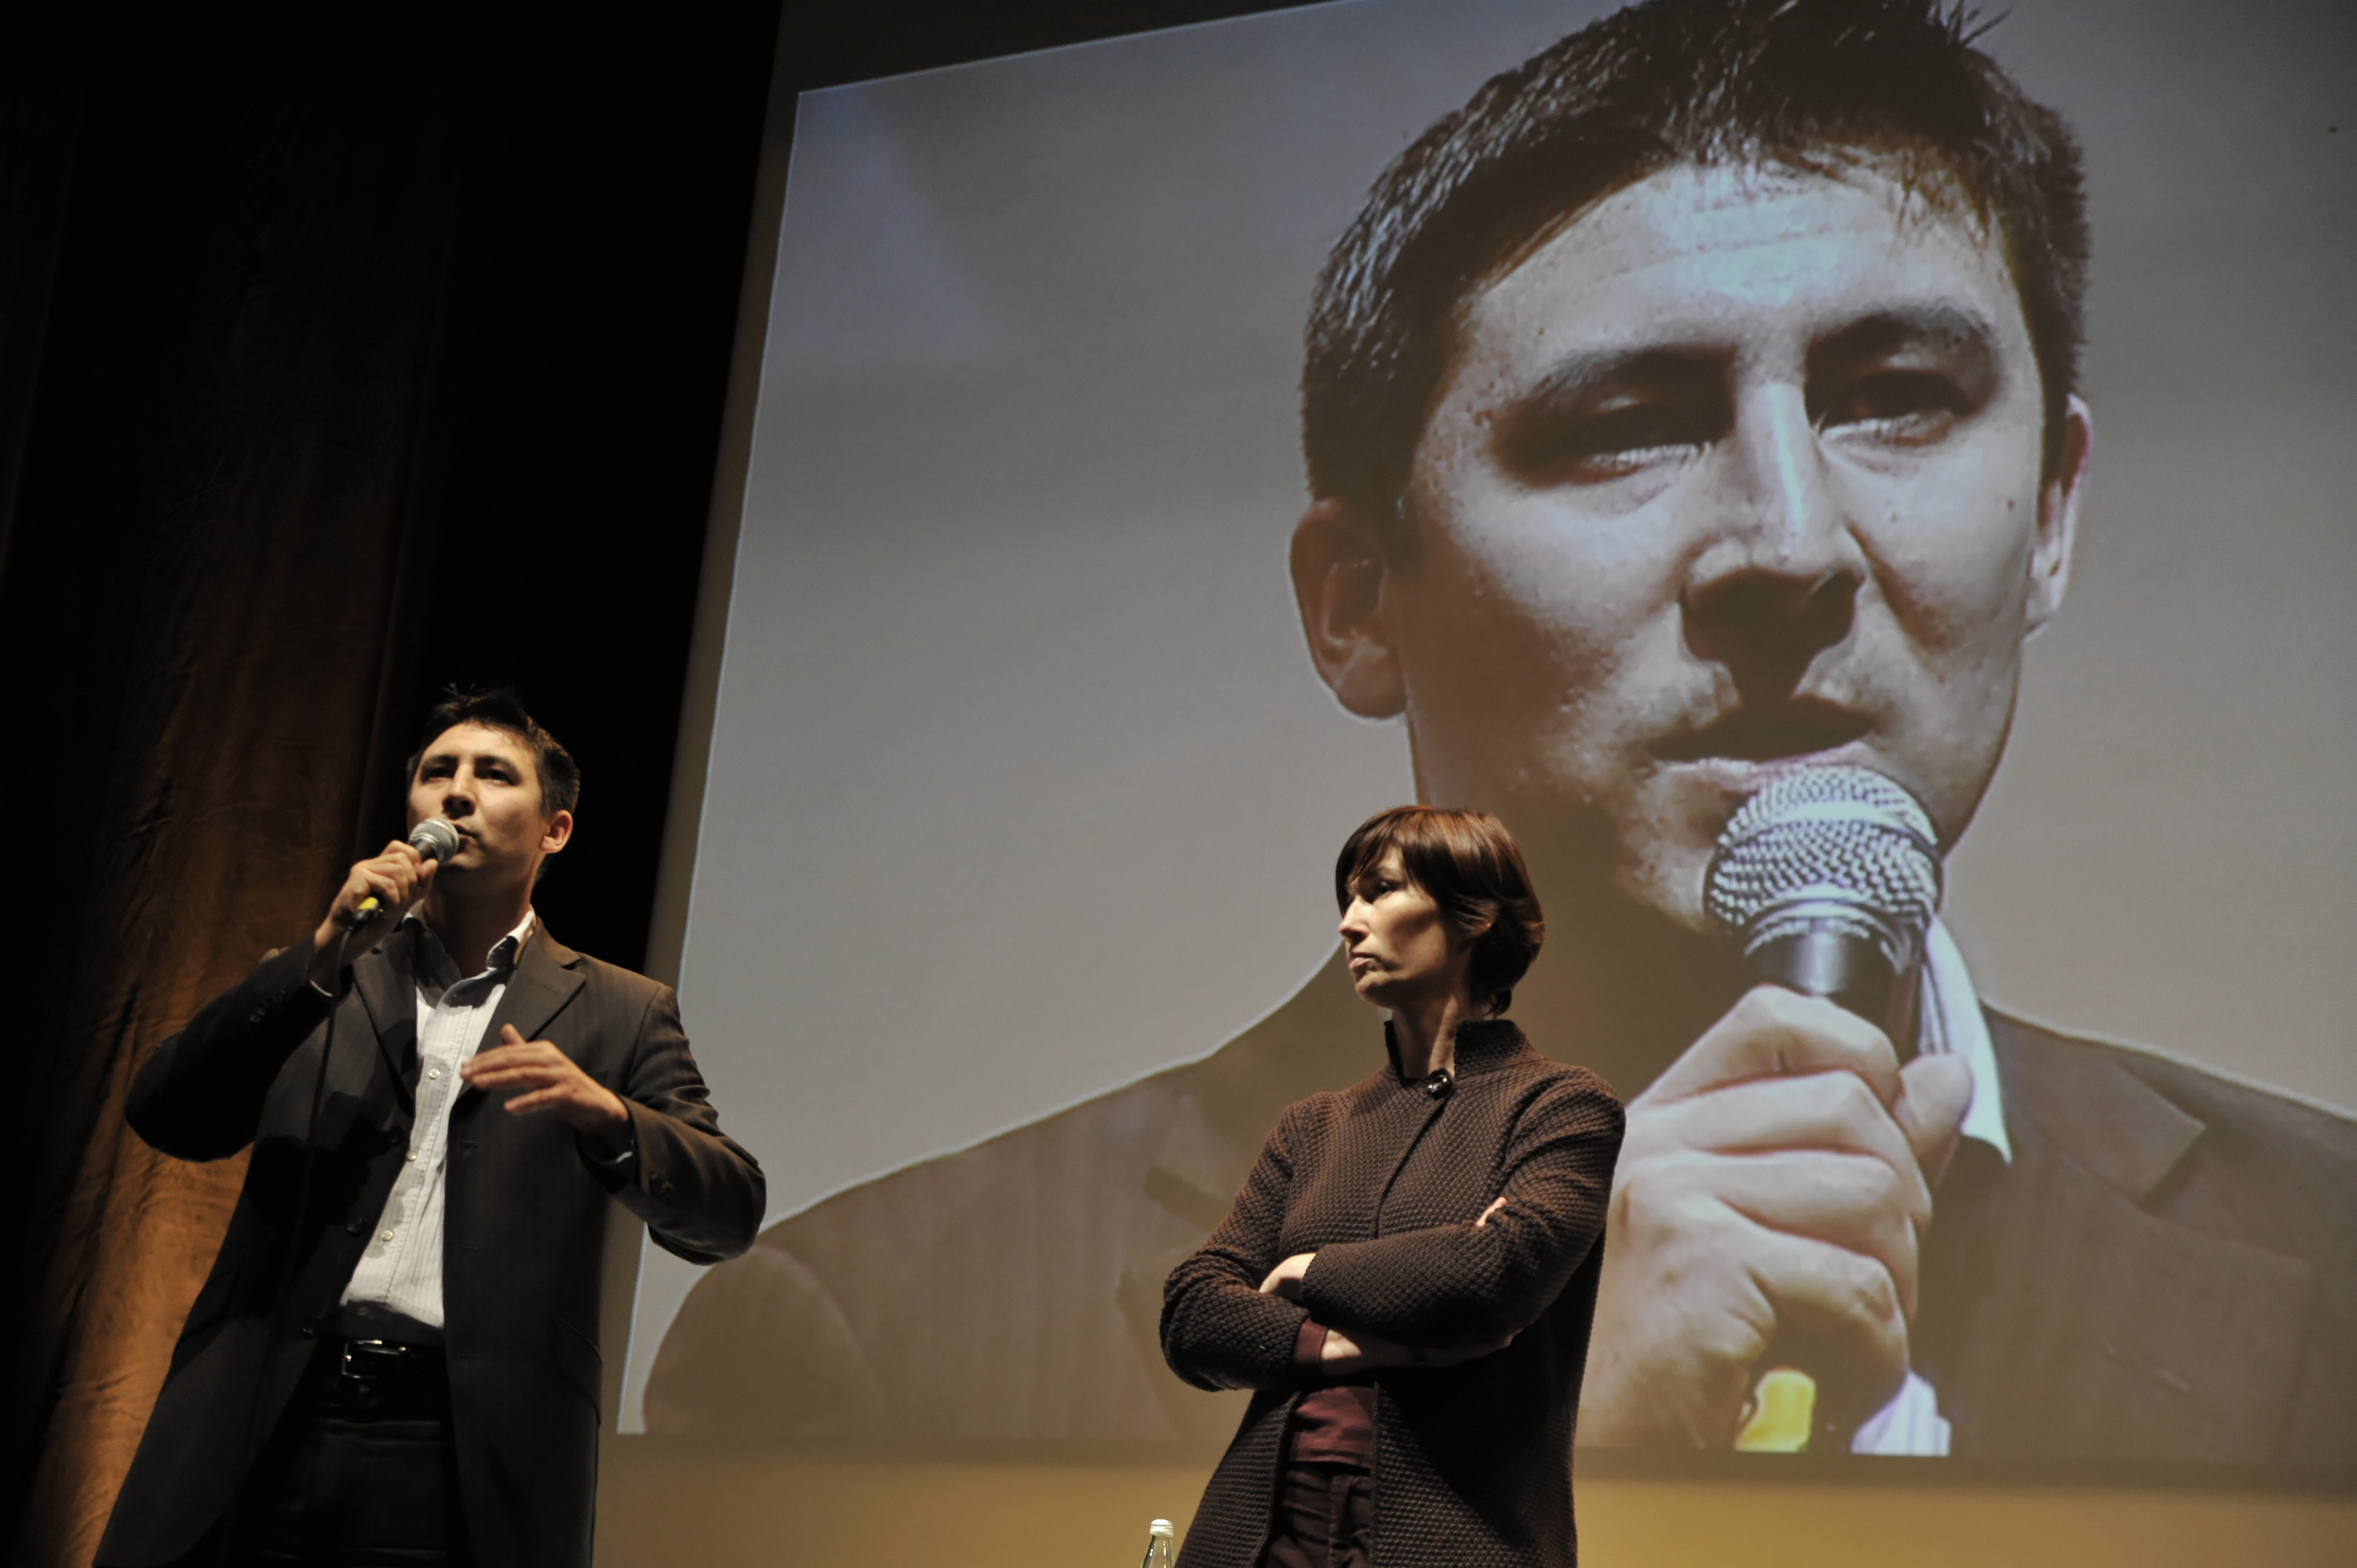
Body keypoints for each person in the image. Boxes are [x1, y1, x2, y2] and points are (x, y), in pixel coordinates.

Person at [646, 0, 2357, 1464]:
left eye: (1897, 400)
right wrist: (1559, 1475)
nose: (1793, 544)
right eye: (1627, 427)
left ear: (2052, 511)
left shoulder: (2331, 1257)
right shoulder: (884, 1350)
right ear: (1359, 600)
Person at [99, 690, 764, 1567]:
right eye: (435, 773)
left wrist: (612, 1116)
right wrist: (320, 958)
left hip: (454, 1449)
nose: (456, 794)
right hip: (264, 1414)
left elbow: (731, 1211)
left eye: (493, 776)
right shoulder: (324, 974)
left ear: (554, 831)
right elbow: (167, 1114)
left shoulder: (620, 1012)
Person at [1162, 807, 1621, 1568]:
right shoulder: (1313, 1127)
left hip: (1456, 1538)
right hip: (1268, 1537)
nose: (1349, 924)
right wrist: (1337, 1344)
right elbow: (1193, 1314)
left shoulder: (1562, 1106)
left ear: (1474, 915)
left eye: (1379, 892)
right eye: (1347, 900)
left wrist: (1307, 1271)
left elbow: (1490, 1277)